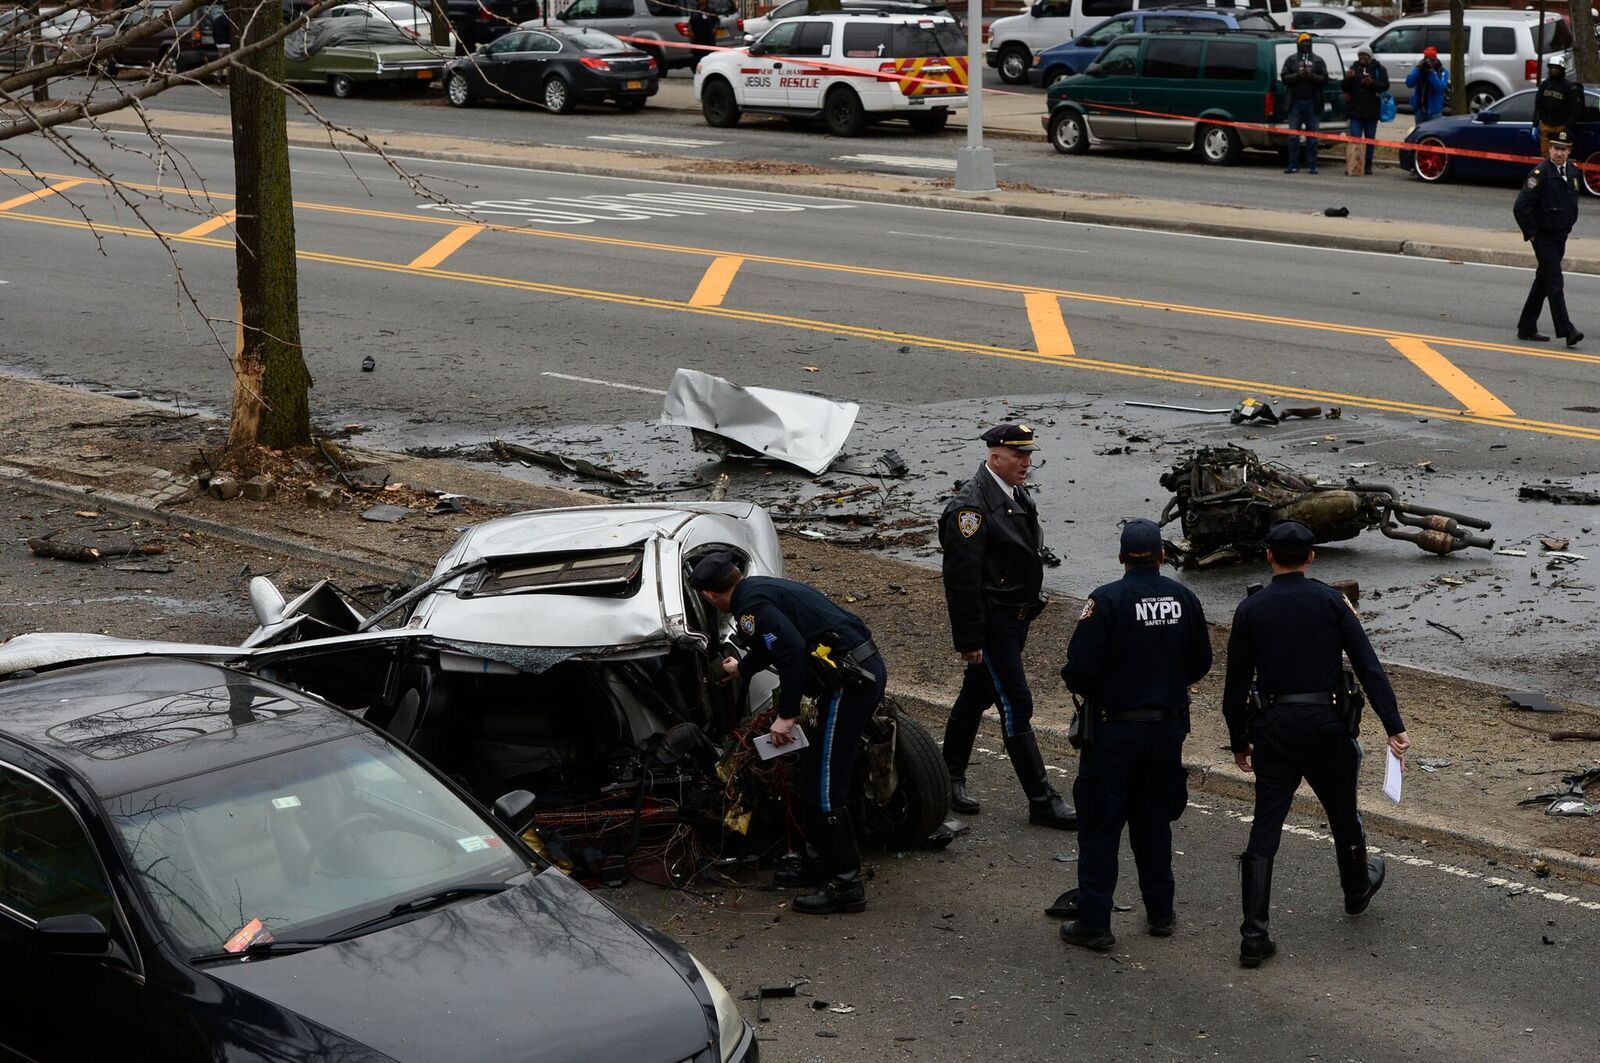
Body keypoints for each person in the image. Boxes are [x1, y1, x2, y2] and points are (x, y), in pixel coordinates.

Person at [1221, 521, 1411, 969]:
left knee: (1265, 826)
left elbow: (1233, 687)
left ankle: (1254, 933)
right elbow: (1368, 665)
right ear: (1311, 558)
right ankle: (1355, 890)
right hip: (1326, 726)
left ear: (1269, 556)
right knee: (1343, 812)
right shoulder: (1331, 600)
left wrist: (1239, 741)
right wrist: (1393, 724)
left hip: (1274, 728)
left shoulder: (1252, 610)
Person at [690, 551, 887, 915]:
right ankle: (816, 862)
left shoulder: (750, 608)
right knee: (814, 771)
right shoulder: (756, 590)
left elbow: (793, 651)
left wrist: (787, 714)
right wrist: (744, 667)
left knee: (827, 783)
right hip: (853, 669)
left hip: (849, 682)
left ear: (709, 596)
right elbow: (775, 643)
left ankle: (846, 884)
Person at [1054, 520, 1212, 952]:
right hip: (1166, 729)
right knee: (1154, 822)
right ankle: (1161, 913)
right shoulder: (1184, 598)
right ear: (1163, 555)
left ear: (1122, 557)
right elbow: (1201, 660)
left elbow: (1079, 668)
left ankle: (1094, 922)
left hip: (1114, 729)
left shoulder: (1105, 600)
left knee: (1101, 826)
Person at [939, 422, 1076, 829]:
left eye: (1029, 455)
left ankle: (949, 776)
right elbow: (961, 581)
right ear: (995, 455)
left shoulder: (1013, 495)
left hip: (1014, 619)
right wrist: (969, 639)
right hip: (992, 623)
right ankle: (1041, 799)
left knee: (977, 693)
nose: (1027, 463)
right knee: (1016, 704)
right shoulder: (971, 509)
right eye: (1019, 456)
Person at [1515, 128, 1584, 347]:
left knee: (1543, 282)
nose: (1558, 153)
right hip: (1543, 237)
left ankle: (1526, 326)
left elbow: (1572, 202)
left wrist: (1569, 224)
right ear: (1549, 149)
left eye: (1563, 149)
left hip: (1560, 236)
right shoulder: (1540, 174)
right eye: (1555, 148)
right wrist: (1533, 234)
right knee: (1555, 281)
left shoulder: (1572, 172)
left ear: (1569, 150)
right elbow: (1521, 207)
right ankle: (1567, 330)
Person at [1280, 32, 1328, 175]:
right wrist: (1297, 75)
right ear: (1298, 44)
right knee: (1293, 136)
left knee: (1312, 136)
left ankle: (1312, 165)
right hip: (1295, 102)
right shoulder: (1291, 60)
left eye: (1308, 42)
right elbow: (1284, 78)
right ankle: (1293, 164)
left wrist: (1311, 75)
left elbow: (1325, 79)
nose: (1305, 45)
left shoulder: (1318, 60)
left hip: (1312, 102)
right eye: (1303, 42)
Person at [1341, 48, 1388, 176]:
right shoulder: (1353, 68)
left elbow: (1385, 85)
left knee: (1369, 139)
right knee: (1355, 138)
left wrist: (1372, 83)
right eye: (1360, 55)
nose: (1362, 57)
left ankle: (1367, 164)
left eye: (1365, 55)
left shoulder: (1379, 69)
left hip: (1371, 110)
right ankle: (1353, 163)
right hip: (1355, 110)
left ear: (1370, 56)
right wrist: (1347, 79)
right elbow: (1345, 88)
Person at [1536, 59, 1585, 162]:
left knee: (1559, 157)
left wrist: (1566, 127)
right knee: (1546, 157)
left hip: (1560, 128)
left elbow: (1575, 110)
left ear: (1562, 69)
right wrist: (1535, 124)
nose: (1554, 70)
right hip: (1545, 126)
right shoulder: (1545, 85)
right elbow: (1538, 105)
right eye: (1552, 67)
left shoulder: (1569, 87)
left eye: (1556, 68)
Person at [1405, 46, 1448, 126]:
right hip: (1420, 109)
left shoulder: (1442, 71)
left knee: (1433, 134)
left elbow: (1440, 89)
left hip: (1434, 111)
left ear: (1436, 59)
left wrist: (1431, 73)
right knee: (1419, 135)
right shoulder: (1419, 70)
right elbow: (1409, 83)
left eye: (1431, 60)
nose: (1429, 62)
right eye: (1426, 59)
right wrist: (1418, 68)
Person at [687, 0, 717, 73]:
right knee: (697, 57)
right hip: (697, 38)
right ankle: (697, 72)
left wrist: (714, 28)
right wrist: (690, 30)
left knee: (707, 56)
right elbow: (690, 22)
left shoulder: (711, 10)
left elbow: (717, 21)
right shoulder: (695, 10)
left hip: (707, 38)